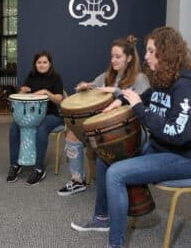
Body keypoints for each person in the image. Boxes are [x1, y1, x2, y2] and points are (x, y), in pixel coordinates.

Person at [70, 27, 191, 248]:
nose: (145, 56)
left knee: (116, 174)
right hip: (162, 148)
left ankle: (115, 244)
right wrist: (122, 101)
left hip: (186, 157)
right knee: (106, 156)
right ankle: (101, 217)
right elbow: (141, 98)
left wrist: (140, 111)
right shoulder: (163, 81)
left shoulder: (184, 86)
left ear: (166, 53)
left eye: (151, 51)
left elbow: (179, 134)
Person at [57, 35, 150, 196]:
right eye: (112, 56)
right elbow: (93, 88)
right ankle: (77, 180)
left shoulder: (140, 79)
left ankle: (114, 181)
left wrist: (115, 91)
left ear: (128, 58)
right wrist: (85, 87)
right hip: (104, 129)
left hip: (130, 131)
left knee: (101, 144)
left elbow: (142, 103)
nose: (113, 60)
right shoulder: (107, 76)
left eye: (118, 56)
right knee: (72, 134)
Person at [7, 51, 64, 185]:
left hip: (52, 115)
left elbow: (59, 100)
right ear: (35, 64)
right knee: (14, 127)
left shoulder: (56, 77)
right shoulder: (31, 76)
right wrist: (22, 91)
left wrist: (46, 92)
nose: (42, 65)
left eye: (45, 62)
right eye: (39, 62)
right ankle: (14, 165)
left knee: (41, 127)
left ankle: (38, 168)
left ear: (50, 63)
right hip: (32, 115)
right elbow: (23, 97)